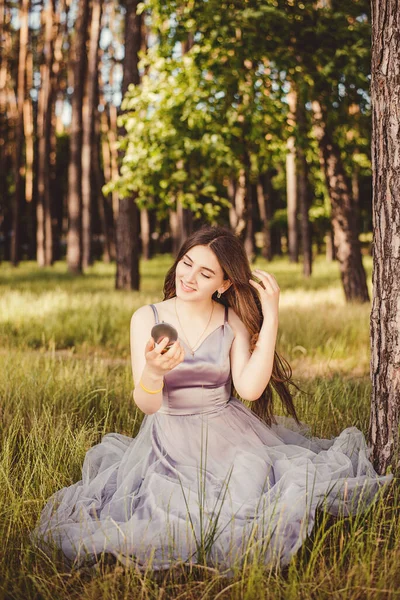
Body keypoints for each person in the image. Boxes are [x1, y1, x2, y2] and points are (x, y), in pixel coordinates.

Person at [31, 225, 392, 574]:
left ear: (224, 283)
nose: (189, 277)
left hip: (228, 432)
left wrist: (271, 318)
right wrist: (154, 372)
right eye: (187, 263)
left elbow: (250, 389)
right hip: (169, 439)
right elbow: (148, 405)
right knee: (169, 507)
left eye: (205, 273)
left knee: (249, 492)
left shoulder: (230, 320)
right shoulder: (147, 317)